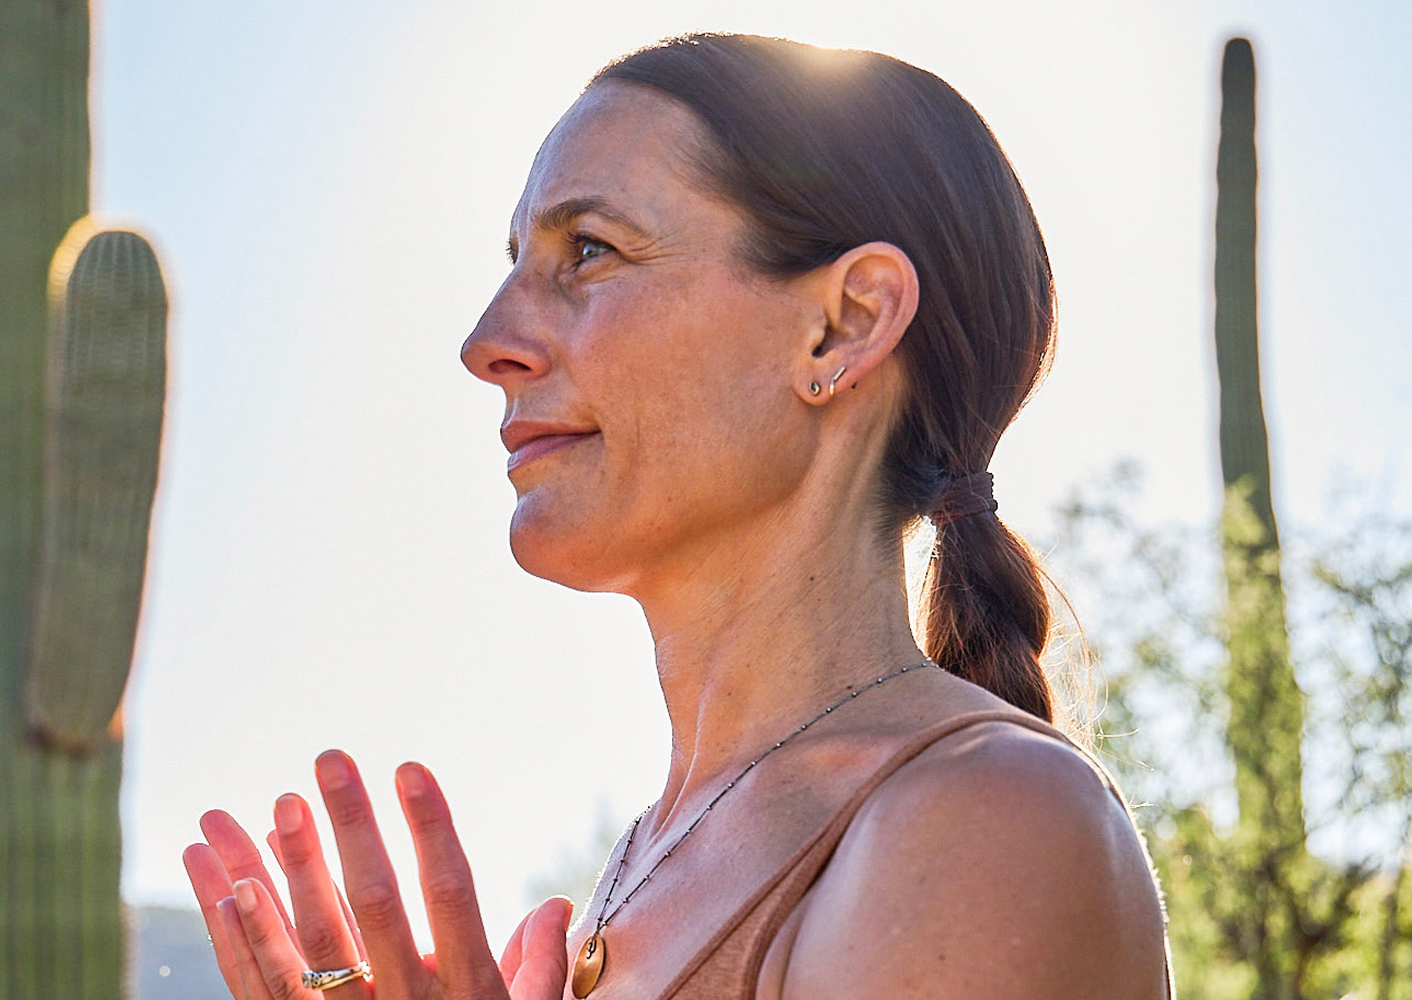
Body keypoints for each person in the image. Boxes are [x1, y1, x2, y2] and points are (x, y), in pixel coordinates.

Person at [184, 32, 1172, 1000]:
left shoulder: (989, 820)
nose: (488, 342)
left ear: (844, 325)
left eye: (588, 250)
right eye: (515, 263)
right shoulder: (645, 861)